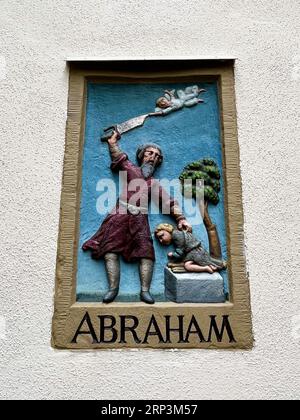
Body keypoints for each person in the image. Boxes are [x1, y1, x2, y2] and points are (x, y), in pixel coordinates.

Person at [82, 131, 191, 304]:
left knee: (146, 252)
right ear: (142, 156)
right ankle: (113, 289)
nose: (153, 158)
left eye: (156, 156)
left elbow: (168, 201)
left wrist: (180, 218)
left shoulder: (153, 184)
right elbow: (119, 157)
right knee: (110, 250)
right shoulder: (131, 169)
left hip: (140, 218)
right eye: (150, 153)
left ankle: (145, 291)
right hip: (120, 213)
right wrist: (112, 143)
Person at [155, 223, 226, 274]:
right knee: (187, 264)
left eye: (162, 236)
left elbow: (180, 253)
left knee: (187, 266)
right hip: (193, 252)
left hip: (196, 252)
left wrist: (172, 254)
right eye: (159, 239)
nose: (161, 240)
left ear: (168, 230)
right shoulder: (176, 235)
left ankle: (207, 268)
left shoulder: (177, 236)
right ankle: (211, 266)